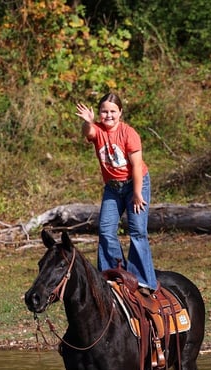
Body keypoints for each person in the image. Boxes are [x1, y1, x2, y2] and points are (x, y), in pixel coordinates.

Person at [75, 93, 157, 294]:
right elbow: (88, 132)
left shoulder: (129, 133)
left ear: (120, 112)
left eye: (113, 111)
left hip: (135, 184)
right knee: (105, 230)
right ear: (99, 113)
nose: (108, 115)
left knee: (137, 231)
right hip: (112, 188)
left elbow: (136, 166)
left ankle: (143, 281)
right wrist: (87, 121)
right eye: (104, 111)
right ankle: (112, 275)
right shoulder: (98, 130)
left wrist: (137, 193)